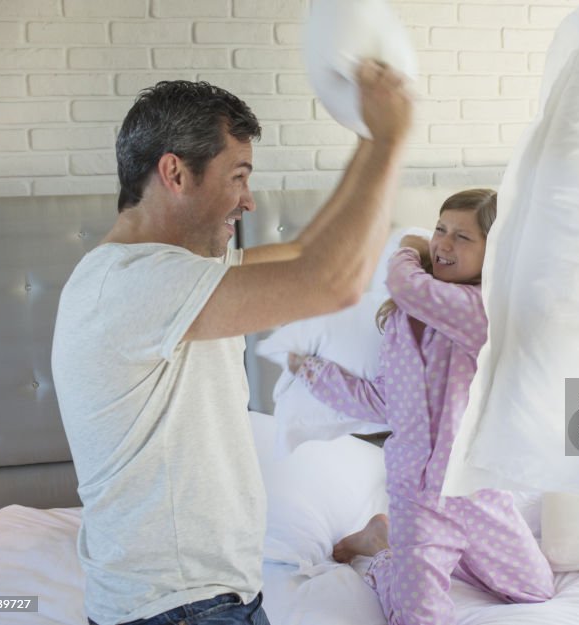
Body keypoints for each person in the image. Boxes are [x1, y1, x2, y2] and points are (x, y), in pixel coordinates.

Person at [51, 62, 412, 625]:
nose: (249, 202)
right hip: (178, 610)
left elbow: (309, 250)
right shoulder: (134, 283)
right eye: (237, 176)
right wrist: (392, 139)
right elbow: (331, 281)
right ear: (174, 172)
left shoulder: (170, 276)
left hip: (203, 603)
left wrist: (368, 140)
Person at [287, 189, 554, 625]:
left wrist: (407, 248)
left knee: (536, 589)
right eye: (439, 230)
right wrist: (309, 369)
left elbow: (406, 284)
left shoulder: (483, 309)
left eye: (463, 237)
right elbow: (385, 402)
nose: (443, 244)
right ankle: (385, 551)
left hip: (476, 490)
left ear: (495, 250)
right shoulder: (400, 319)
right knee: (419, 620)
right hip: (418, 496)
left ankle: (445, 553)